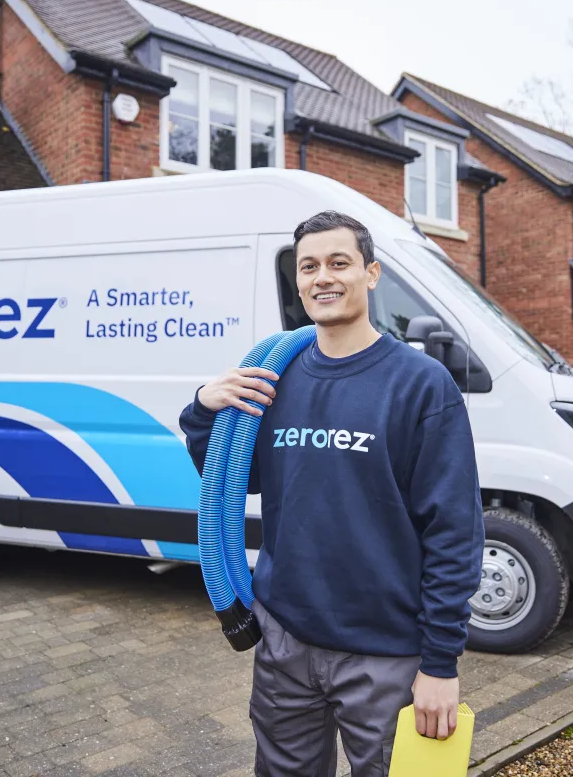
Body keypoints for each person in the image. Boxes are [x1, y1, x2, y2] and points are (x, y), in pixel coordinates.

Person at [179, 210, 484, 776]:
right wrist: (203, 410)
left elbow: (455, 531)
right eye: (309, 266)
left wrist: (440, 663)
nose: (324, 277)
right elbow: (232, 481)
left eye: (339, 263)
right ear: (297, 281)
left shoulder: (420, 385)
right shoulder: (275, 377)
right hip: (285, 643)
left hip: (387, 654)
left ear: (371, 274)